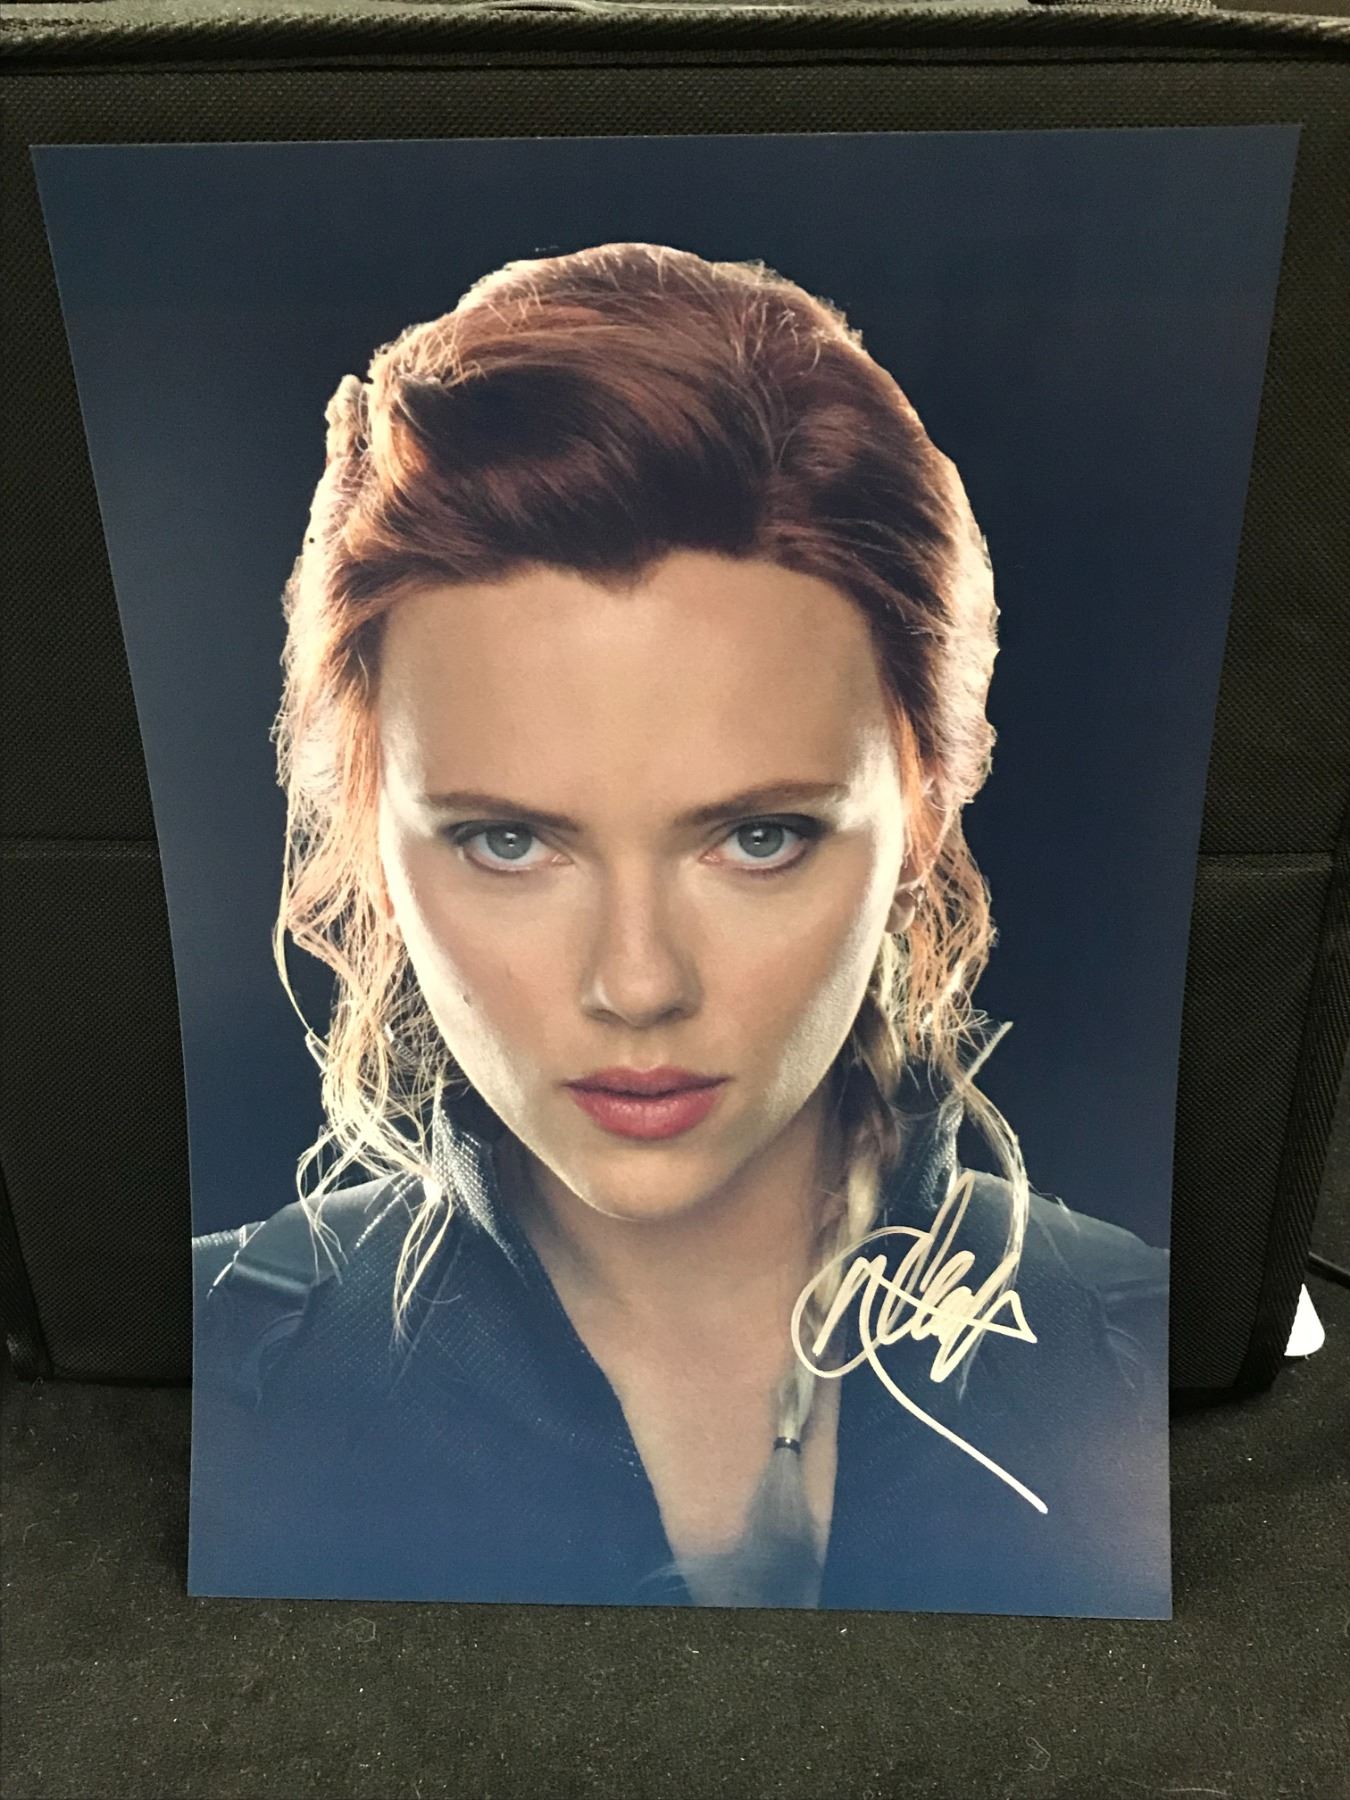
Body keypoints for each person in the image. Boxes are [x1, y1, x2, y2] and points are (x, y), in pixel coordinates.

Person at [190, 242, 1169, 1615]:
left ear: (925, 807)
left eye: (758, 837)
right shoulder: (193, 1378)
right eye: (508, 841)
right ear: (366, 830)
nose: (637, 984)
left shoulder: (1148, 1358)